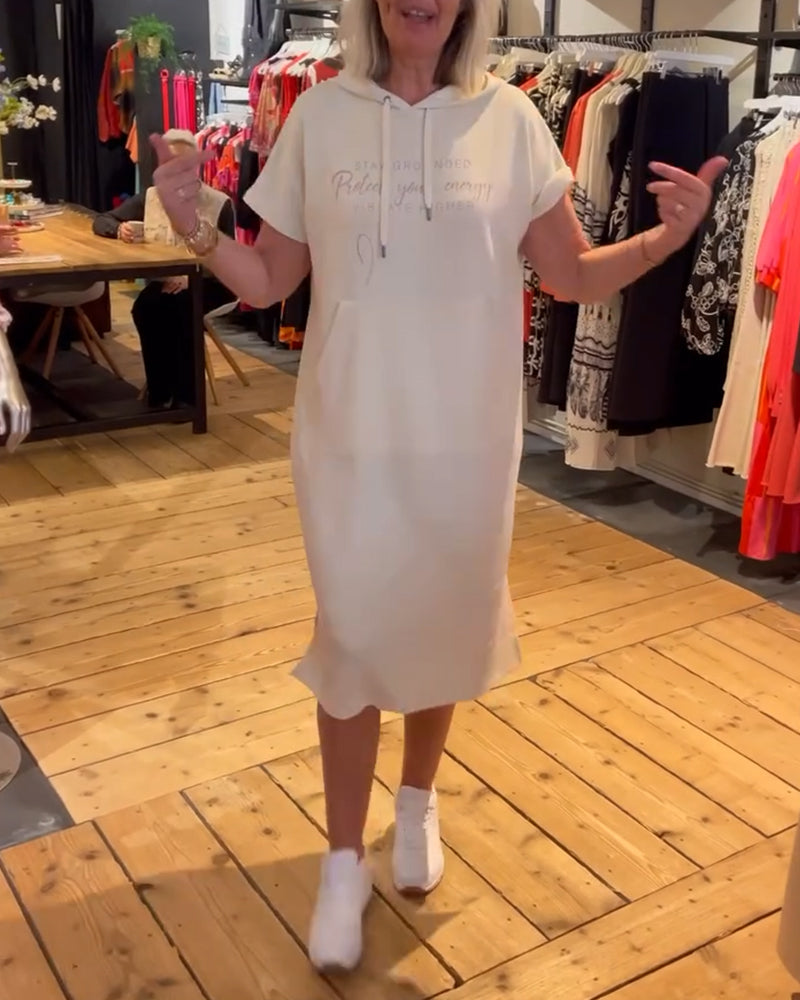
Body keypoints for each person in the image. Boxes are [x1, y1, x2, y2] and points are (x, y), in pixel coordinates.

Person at [150, 0, 726, 973]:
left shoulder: (511, 119)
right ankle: (342, 860)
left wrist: (662, 243)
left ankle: (416, 803)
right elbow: (267, 281)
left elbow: (571, 276)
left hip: (464, 438)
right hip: (349, 432)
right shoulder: (319, 114)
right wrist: (193, 224)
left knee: (444, 623)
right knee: (352, 637)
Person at [93, 129, 236, 408]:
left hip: (212, 281)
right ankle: (160, 390)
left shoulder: (218, 203)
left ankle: (188, 398)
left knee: (181, 308)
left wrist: (191, 277)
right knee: (146, 308)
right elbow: (102, 220)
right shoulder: (151, 198)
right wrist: (119, 229)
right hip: (168, 280)